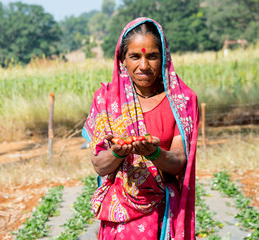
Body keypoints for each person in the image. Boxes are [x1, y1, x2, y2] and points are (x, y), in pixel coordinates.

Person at [82, 17, 199, 240]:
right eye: (135, 56)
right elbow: (99, 165)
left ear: (164, 57)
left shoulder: (181, 102)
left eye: (152, 56)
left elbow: (178, 163)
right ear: (122, 60)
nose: (143, 66)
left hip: (164, 217)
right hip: (121, 220)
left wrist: (154, 153)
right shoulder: (107, 100)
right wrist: (118, 151)